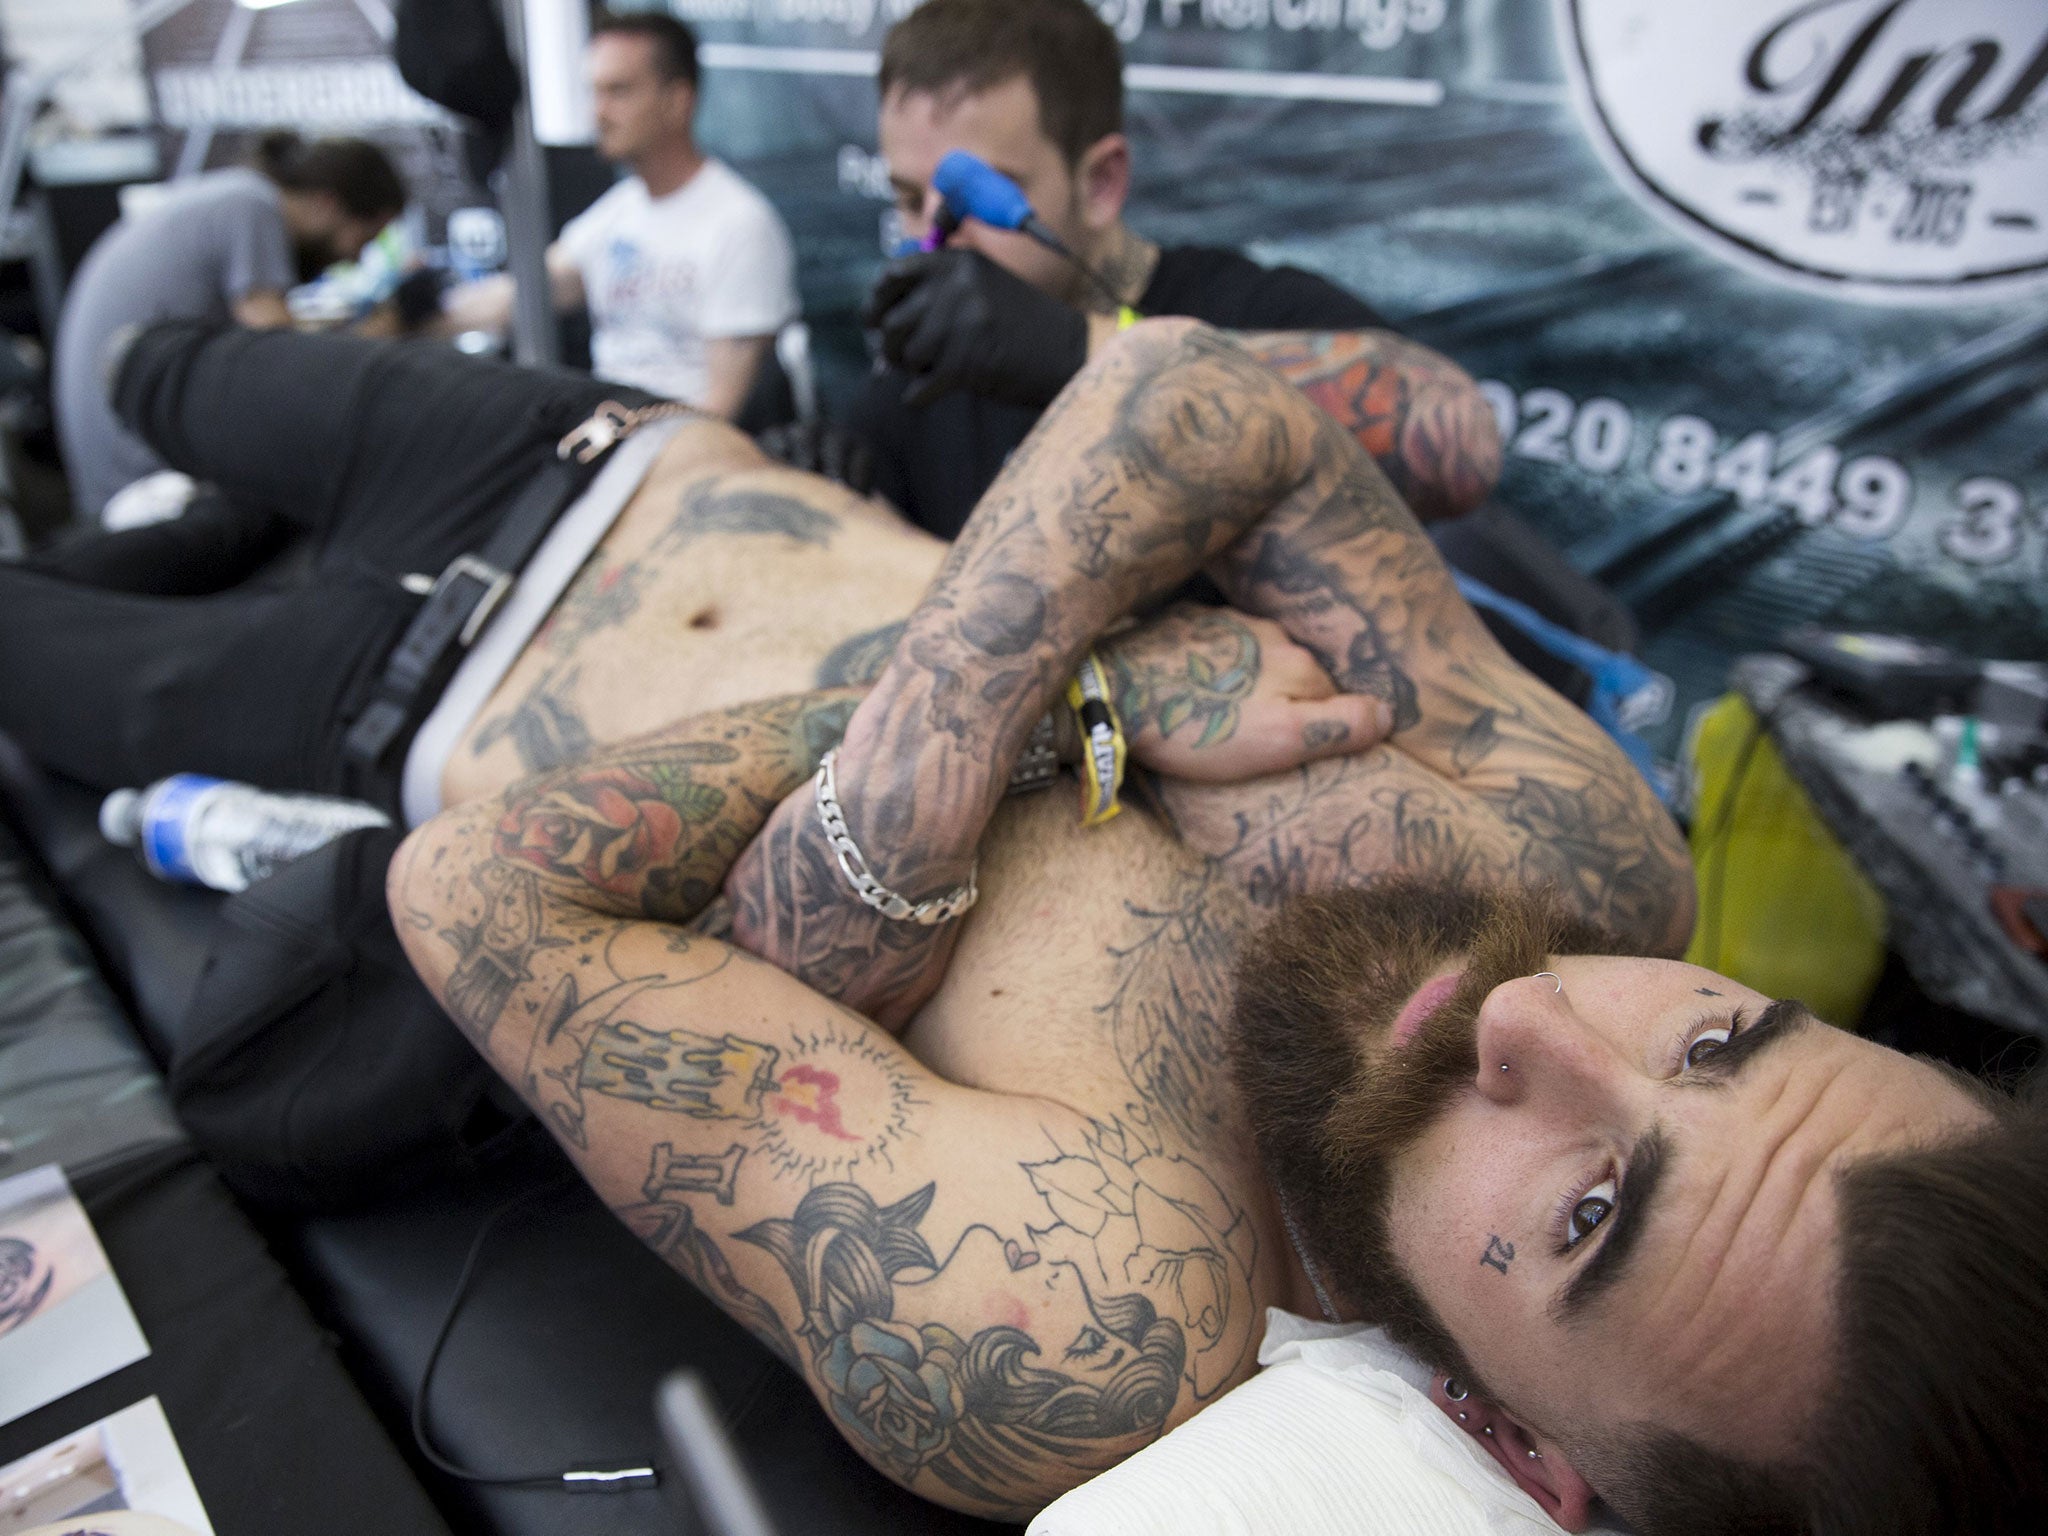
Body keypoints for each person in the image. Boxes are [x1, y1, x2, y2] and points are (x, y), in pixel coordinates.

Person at [837, 0, 1502, 538]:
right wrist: (820, 487)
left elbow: (1459, 441)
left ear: (1099, 183)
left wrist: (1084, 353)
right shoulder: (920, 383)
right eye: (906, 199)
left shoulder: (1246, 309)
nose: (935, 237)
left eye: (973, 200)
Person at [439, 10, 797, 419]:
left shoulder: (739, 224)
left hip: (689, 455)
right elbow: (525, 292)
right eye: (594, 92)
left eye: (619, 92)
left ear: (678, 101)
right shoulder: (616, 212)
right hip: (608, 435)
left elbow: (722, 408)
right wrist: (413, 316)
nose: (599, 113)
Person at [52, 132, 405, 519]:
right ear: (327, 203)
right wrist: (378, 338)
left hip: (119, 460)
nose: (355, 258)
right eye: (365, 237)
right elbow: (283, 357)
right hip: (145, 479)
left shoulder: (234, 195)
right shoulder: (253, 206)